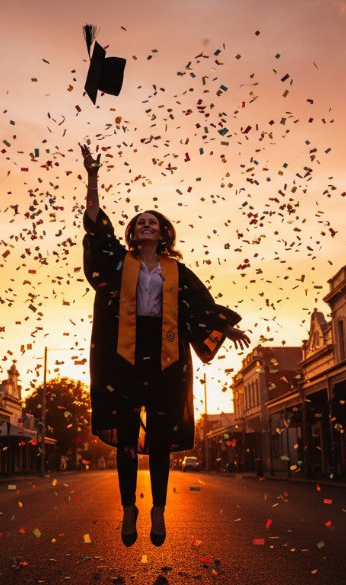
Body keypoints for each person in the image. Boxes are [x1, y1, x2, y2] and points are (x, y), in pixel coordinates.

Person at [79, 143, 251, 547]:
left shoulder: (177, 270)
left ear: (164, 232)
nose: (145, 225)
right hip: (123, 355)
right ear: (132, 233)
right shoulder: (119, 263)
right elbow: (95, 227)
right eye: (139, 222)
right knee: (125, 438)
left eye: (152, 222)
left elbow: (201, 308)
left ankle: (157, 509)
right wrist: (92, 176)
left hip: (167, 356)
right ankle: (127, 509)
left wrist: (225, 326)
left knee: (158, 439)